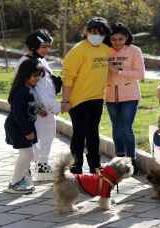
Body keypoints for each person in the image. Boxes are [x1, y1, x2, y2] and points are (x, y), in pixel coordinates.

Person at [61, 17, 111, 174]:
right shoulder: (77, 50)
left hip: (96, 98)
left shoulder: (105, 49)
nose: (97, 35)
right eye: (93, 32)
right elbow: (68, 77)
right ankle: (76, 164)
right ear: (86, 32)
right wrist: (65, 100)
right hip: (78, 100)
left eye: (101, 33)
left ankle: (95, 165)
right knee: (79, 133)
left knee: (93, 133)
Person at [16, 29, 61, 181]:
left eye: (49, 46)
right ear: (33, 47)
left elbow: (45, 84)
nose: (47, 50)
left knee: (47, 137)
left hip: (45, 109)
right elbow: (33, 89)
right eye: (44, 47)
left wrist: (55, 85)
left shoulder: (40, 59)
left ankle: (42, 169)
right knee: (34, 142)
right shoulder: (27, 62)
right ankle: (25, 174)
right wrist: (50, 107)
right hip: (37, 110)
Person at [105, 22, 145, 175]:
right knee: (116, 127)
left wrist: (119, 70)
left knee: (126, 127)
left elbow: (140, 74)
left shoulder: (135, 51)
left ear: (127, 38)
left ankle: (131, 160)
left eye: (120, 39)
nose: (117, 42)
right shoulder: (105, 51)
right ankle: (119, 160)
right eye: (113, 39)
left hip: (130, 95)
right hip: (110, 95)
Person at [4, 58, 44, 194]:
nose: (37, 78)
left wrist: (40, 110)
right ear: (25, 74)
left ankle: (21, 179)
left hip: (26, 126)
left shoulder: (29, 89)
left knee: (28, 154)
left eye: (39, 75)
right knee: (27, 154)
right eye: (35, 75)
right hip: (18, 127)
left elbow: (31, 105)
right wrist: (27, 131)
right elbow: (18, 114)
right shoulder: (21, 91)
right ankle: (15, 183)